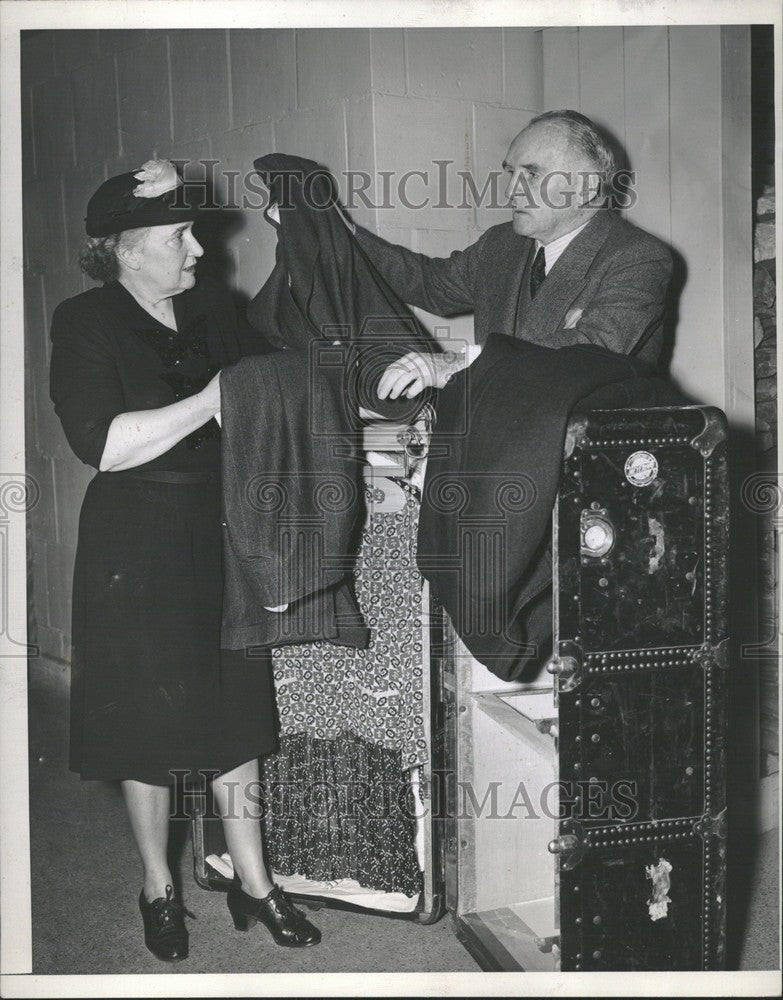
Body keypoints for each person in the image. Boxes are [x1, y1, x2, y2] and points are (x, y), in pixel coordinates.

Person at [48, 160, 320, 961]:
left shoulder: (212, 311)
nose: (197, 249)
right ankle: (157, 887)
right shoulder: (84, 321)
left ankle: (255, 883)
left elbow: (278, 373)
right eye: (177, 236)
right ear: (127, 251)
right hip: (135, 537)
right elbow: (100, 443)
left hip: (220, 528)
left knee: (239, 714)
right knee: (146, 723)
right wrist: (210, 400)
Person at [346, 109, 674, 401]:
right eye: (510, 173)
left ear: (585, 189)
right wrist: (343, 237)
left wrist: (455, 363)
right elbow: (430, 284)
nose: (510, 191)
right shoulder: (500, 244)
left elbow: (593, 347)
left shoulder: (638, 256)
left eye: (531, 174)